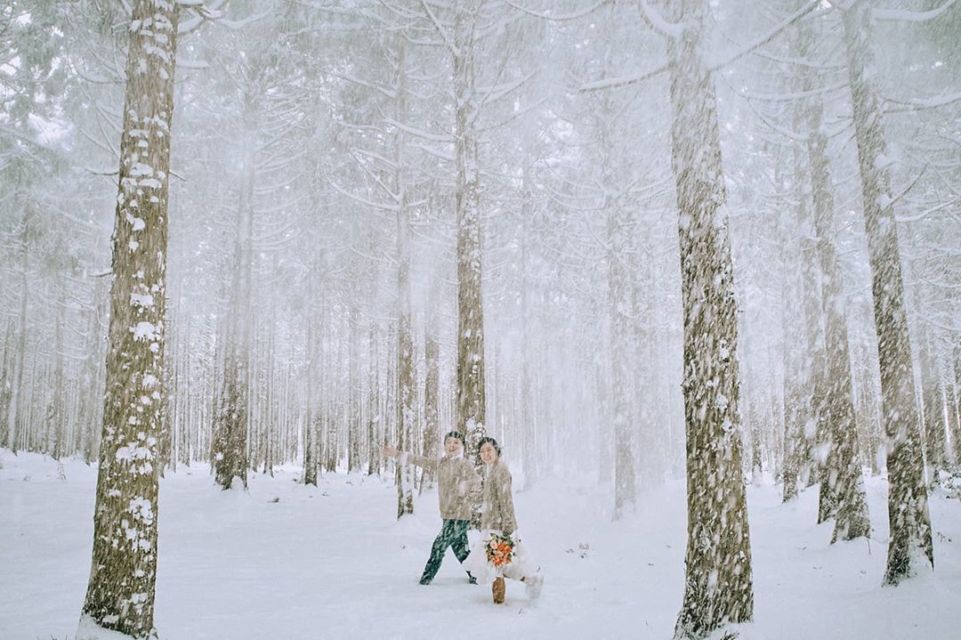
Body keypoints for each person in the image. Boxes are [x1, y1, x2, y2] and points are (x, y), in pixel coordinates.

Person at [383, 431, 481, 585]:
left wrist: (467, 491)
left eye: (456, 442)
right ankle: (477, 575)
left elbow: (476, 483)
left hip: (459, 516)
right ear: (445, 445)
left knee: (438, 546)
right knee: (461, 550)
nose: (452, 445)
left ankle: (426, 579)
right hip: (447, 515)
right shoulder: (442, 463)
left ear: (462, 446)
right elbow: (420, 460)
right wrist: (397, 454)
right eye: (449, 442)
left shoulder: (464, 464)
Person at [464, 436, 543, 604]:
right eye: (482, 451)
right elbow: (489, 496)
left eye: (489, 450)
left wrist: (507, 526)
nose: (486, 454)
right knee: (501, 565)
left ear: (497, 451)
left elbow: (505, 499)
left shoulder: (500, 470)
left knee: (497, 566)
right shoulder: (492, 469)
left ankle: (499, 605)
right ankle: (530, 580)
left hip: (499, 527)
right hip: (492, 524)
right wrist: (472, 497)